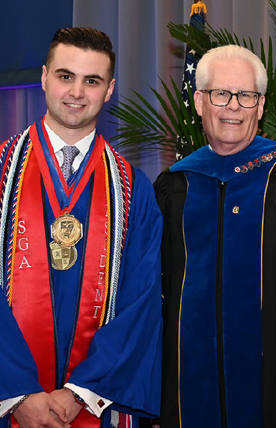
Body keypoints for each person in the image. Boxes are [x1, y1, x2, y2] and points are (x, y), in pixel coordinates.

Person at [154, 45, 276, 428]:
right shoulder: (174, 184)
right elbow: (157, 297)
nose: (233, 107)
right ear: (199, 101)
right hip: (186, 393)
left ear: (261, 106)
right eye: (221, 94)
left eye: (246, 96)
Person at [0, 28, 162, 427]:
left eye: (92, 81)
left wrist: (80, 393)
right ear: (43, 77)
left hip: (94, 404)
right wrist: (18, 392)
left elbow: (141, 301)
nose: (76, 92)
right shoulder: (2, 173)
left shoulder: (131, 189)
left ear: (109, 90)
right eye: (65, 76)